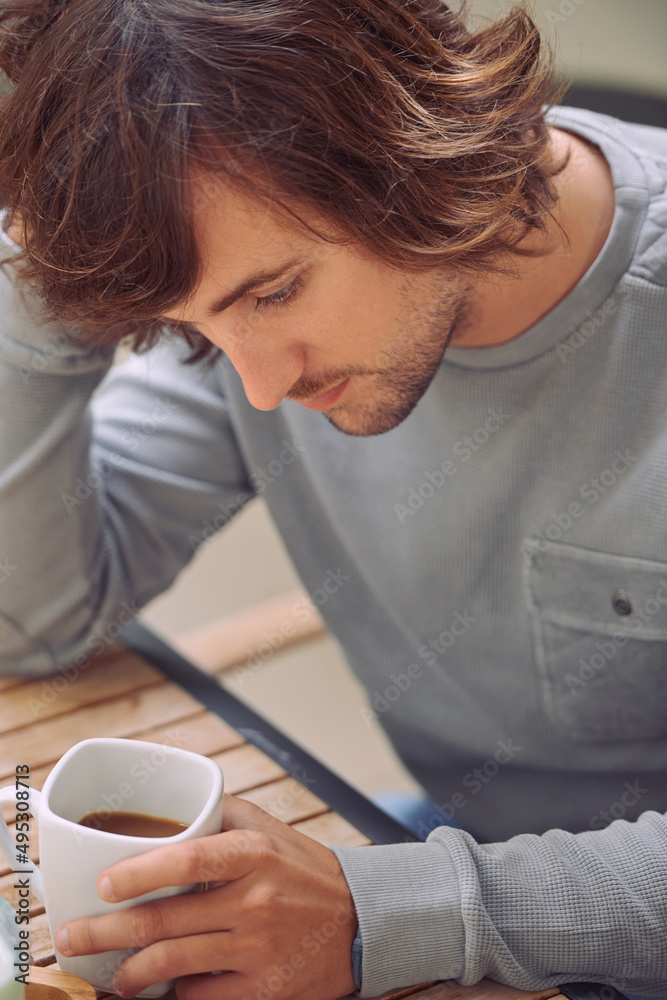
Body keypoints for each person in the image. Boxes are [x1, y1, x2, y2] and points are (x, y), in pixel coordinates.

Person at [0, 0, 666, 998]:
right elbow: (30, 618)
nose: (260, 384)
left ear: (414, 141)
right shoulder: (242, 324)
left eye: (273, 293)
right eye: (195, 320)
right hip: (427, 849)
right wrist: (45, 272)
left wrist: (393, 909)